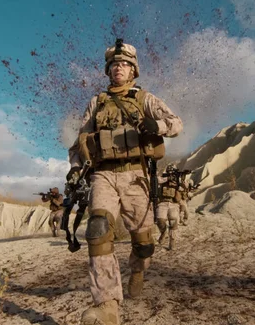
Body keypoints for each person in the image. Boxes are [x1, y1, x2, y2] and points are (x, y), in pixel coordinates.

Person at [67, 39, 183, 325]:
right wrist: (74, 168)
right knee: (97, 229)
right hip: (104, 174)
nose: (118, 68)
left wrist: (159, 126)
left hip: (136, 177)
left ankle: (139, 270)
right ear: (108, 71)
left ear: (133, 70)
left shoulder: (145, 99)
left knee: (144, 243)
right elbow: (77, 144)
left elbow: (176, 123)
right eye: (113, 65)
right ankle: (107, 305)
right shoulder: (96, 103)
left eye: (124, 64)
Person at [157, 164, 181, 250]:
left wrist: (177, 182)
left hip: (173, 203)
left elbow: (184, 187)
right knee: (160, 220)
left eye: (172, 171)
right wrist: (167, 178)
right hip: (162, 202)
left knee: (173, 222)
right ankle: (163, 232)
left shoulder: (178, 179)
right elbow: (157, 180)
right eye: (169, 171)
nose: (171, 173)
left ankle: (172, 242)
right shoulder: (163, 178)